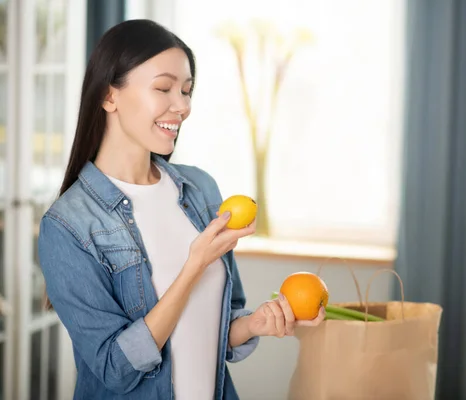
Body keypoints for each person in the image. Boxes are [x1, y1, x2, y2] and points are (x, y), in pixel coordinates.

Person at [37, 19, 325, 400]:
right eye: (164, 88)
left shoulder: (199, 189)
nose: (183, 106)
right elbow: (113, 368)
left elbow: (215, 328)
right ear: (110, 96)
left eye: (187, 91)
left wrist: (255, 323)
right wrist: (194, 267)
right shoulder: (69, 225)